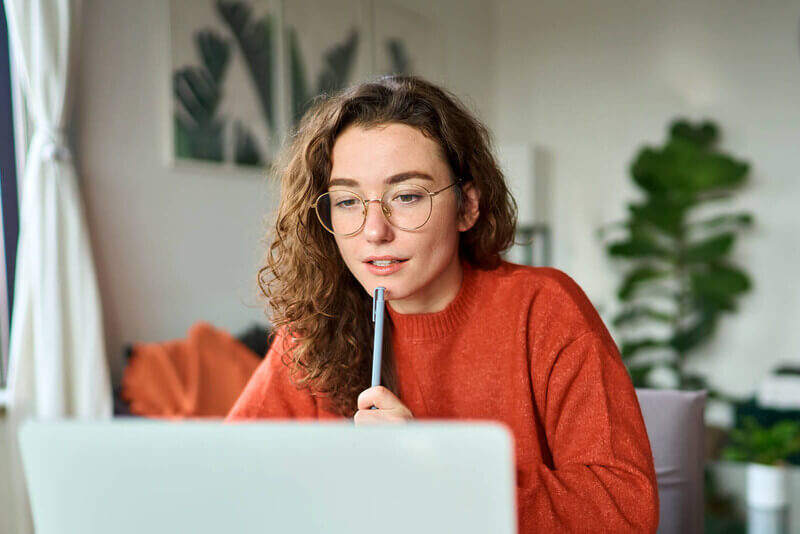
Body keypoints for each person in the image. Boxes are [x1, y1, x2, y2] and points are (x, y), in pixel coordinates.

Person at [226, 75, 659, 533]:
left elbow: (625, 509)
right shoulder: (316, 328)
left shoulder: (543, 308)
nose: (375, 231)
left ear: (467, 206)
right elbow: (225, 480)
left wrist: (438, 474)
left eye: (407, 195)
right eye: (349, 201)